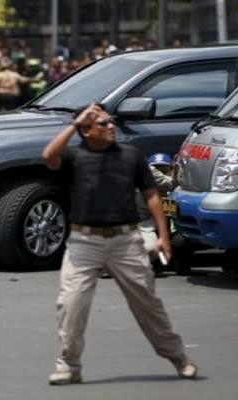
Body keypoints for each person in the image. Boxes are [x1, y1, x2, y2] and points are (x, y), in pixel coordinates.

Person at [42, 103, 197, 385]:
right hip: (83, 242)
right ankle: (68, 365)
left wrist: (163, 236)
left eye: (110, 121)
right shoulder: (75, 157)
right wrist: (75, 123)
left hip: (126, 240)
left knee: (147, 303)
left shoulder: (130, 155)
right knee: (71, 303)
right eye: (102, 123)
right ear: (87, 131)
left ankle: (178, 357)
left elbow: (151, 195)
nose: (111, 126)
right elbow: (48, 155)